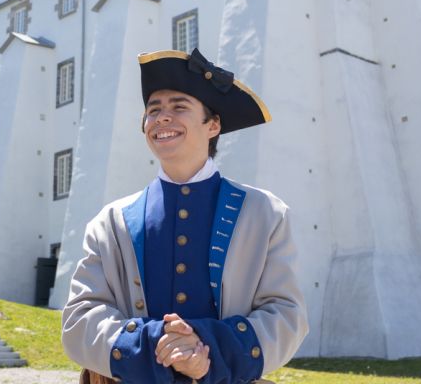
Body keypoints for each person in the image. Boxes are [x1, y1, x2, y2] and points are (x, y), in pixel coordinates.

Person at [62, 48, 308, 383]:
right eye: (153, 110)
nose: (162, 117)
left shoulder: (266, 214)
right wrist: (156, 346)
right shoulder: (111, 222)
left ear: (213, 125)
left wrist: (205, 352)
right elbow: (81, 318)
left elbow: (286, 315)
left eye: (179, 107)